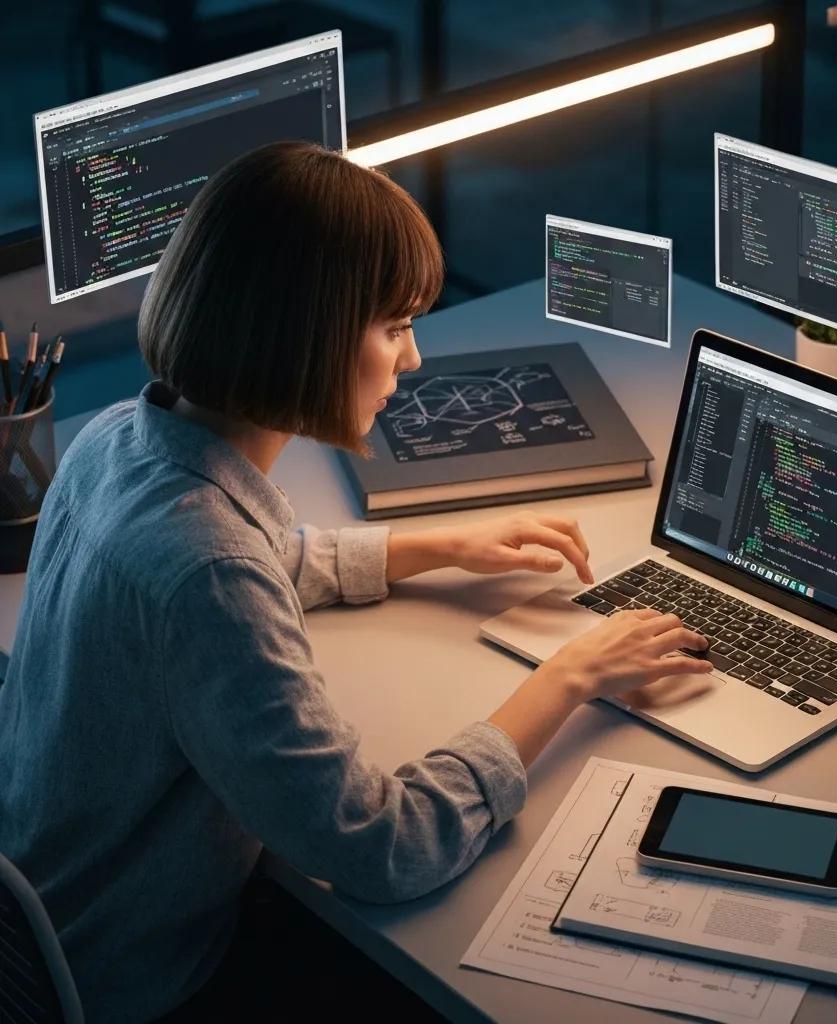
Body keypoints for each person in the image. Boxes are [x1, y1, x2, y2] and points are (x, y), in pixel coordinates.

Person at [0, 141, 712, 1022]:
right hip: (139, 982)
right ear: (306, 333)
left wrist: (435, 545)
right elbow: (381, 847)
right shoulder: (210, 576)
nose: (412, 361)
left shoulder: (116, 438)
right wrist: (568, 678)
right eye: (394, 326)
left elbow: (249, 560)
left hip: (48, 923)